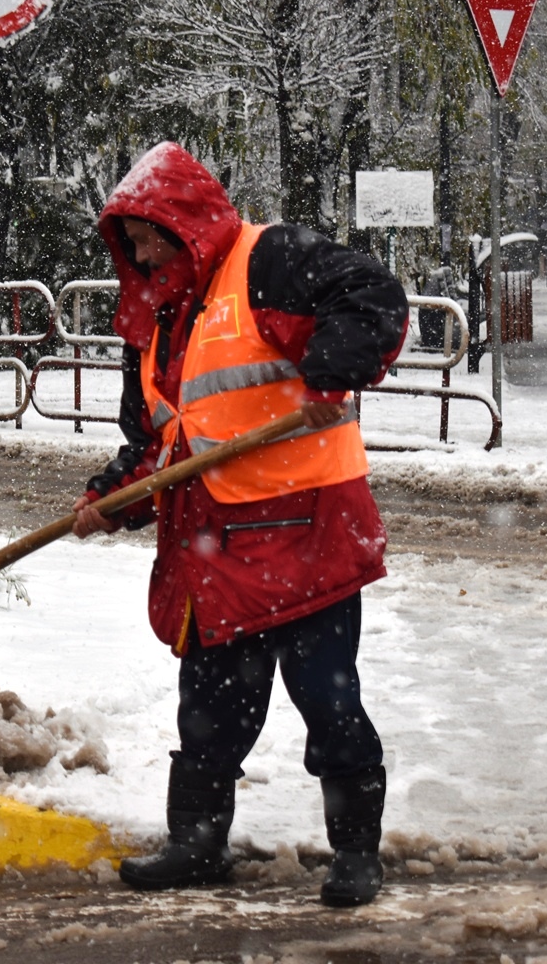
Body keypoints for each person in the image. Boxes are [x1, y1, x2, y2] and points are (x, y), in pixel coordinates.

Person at [71, 142, 408, 908]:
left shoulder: (271, 260)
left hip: (307, 536)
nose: (144, 252)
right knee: (211, 710)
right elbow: (161, 444)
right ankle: (196, 846)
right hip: (216, 552)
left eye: (152, 233)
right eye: (132, 244)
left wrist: (329, 369)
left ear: (187, 223)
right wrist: (114, 496)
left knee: (328, 704)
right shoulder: (159, 324)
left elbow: (373, 297)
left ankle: (356, 853)